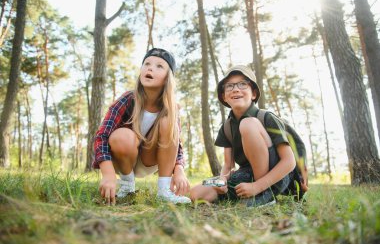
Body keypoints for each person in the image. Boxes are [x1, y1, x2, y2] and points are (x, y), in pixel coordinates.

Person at [92, 48, 191, 205]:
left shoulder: (170, 108)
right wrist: (108, 173)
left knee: (168, 122)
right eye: (147, 64)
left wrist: (179, 169)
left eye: (159, 66)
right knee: (122, 135)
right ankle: (127, 186)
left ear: (168, 78)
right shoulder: (127, 99)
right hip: (124, 157)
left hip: (150, 159)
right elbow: (101, 136)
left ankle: (164, 191)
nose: (150, 68)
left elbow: (177, 144)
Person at [190, 65, 297, 207]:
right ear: (224, 96)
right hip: (247, 175)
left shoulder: (266, 117)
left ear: (253, 93)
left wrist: (257, 187)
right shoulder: (227, 127)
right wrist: (222, 181)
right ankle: (239, 195)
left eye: (242, 84)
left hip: (275, 176)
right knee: (196, 193)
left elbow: (289, 161)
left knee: (248, 124)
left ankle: (265, 196)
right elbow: (228, 165)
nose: (236, 89)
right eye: (229, 86)